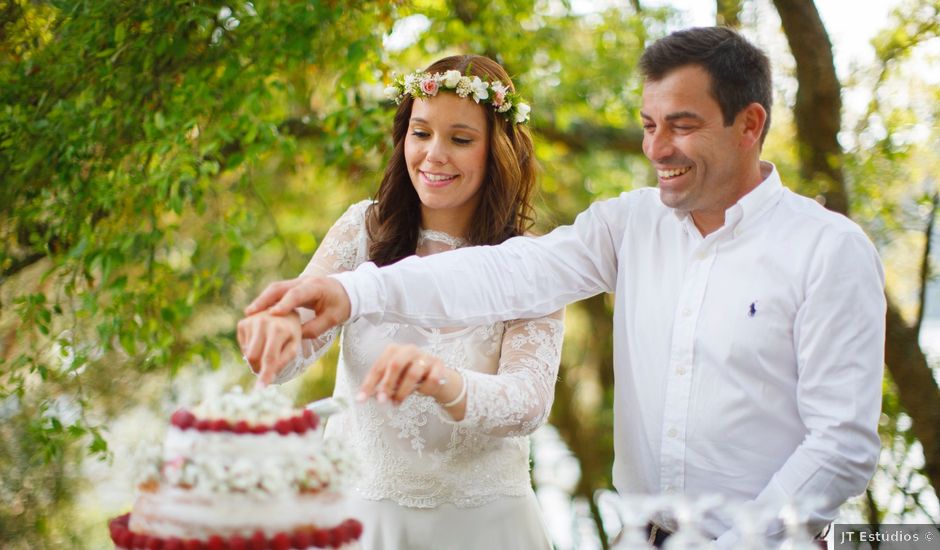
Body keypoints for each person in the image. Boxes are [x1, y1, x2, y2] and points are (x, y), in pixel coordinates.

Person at [243, 27, 886, 548]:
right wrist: (355, 294)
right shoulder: (630, 224)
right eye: (648, 124)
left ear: (750, 125)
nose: (656, 148)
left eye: (681, 125)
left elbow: (842, 444)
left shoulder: (827, 251)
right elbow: (508, 272)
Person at [237, 55, 564, 549]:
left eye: (460, 139)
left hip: (484, 528)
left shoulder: (533, 263)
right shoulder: (361, 231)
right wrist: (276, 335)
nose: (434, 155)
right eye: (420, 132)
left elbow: (528, 403)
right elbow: (289, 355)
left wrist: (444, 382)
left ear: (497, 151)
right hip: (363, 523)